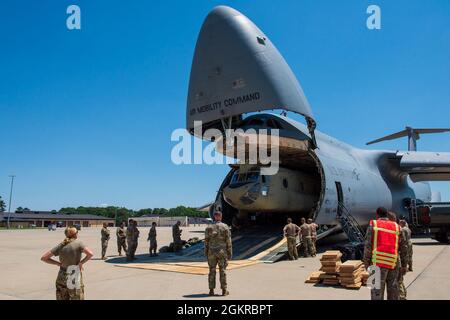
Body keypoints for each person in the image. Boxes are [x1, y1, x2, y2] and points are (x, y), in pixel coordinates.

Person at [363, 207, 408, 300]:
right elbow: (404, 247)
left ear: (377, 214)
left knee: (376, 293)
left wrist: (366, 263)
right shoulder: (397, 226)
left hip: (377, 264)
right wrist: (404, 265)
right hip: (393, 264)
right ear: (387, 215)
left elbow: (368, 245)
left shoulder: (374, 225)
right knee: (393, 292)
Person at [41, 227, 93, 300]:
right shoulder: (79, 244)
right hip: (74, 275)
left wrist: (57, 263)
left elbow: (44, 258)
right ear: (74, 234)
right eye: (77, 232)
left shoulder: (61, 245)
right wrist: (81, 263)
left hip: (61, 276)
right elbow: (90, 254)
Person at [205, 211, 232, 296]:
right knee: (222, 270)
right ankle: (224, 290)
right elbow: (228, 241)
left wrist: (206, 252)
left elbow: (206, 241)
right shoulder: (225, 227)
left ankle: (211, 290)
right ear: (220, 216)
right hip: (222, 252)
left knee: (211, 271)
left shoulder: (209, 227)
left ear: (214, 217)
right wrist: (229, 252)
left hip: (211, 252)